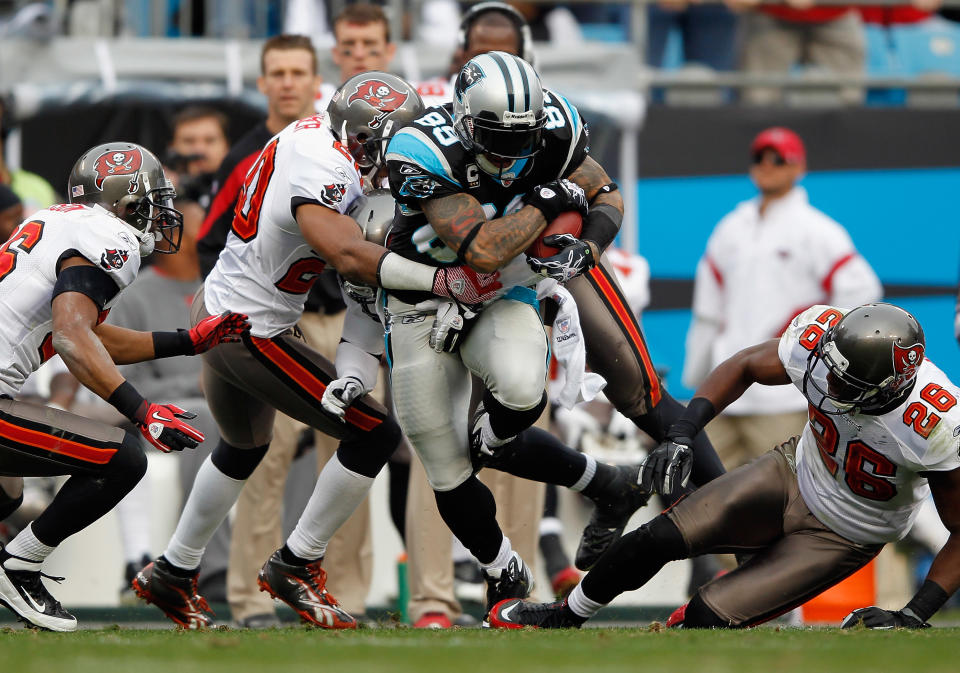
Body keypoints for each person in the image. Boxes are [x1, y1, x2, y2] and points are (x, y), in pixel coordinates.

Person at [132, 72, 506, 630]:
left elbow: (360, 292)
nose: (400, 162)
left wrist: (357, 363)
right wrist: (442, 282)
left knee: (242, 446)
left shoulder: (324, 140)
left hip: (227, 305)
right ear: (364, 138)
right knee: (375, 433)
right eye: (393, 147)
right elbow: (351, 258)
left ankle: (172, 571)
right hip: (249, 326)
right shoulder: (322, 165)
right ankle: (296, 562)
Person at [489, 303, 960, 630]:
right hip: (794, 472)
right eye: (831, 369)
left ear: (891, 386)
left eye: (848, 382)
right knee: (658, 537)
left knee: (706, 618)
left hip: (848, 532)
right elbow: (746, 365)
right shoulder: (824, 343)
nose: (830, 383)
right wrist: (683, 430)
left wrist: (915, 611)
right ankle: (564, 614)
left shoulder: (934, 424)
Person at [0, 142, 248, 631]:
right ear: (126, 204)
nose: (162, 215)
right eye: (153, 201)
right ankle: (19, 567)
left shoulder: (59, 221)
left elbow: (81, 331)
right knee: (122, 458)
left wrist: (185, 341)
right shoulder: (109, 237)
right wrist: (142, 410)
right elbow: (73, 336)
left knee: (7, 493)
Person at [684, 126, 882, 471]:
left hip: (784, 392)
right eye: (759, 157)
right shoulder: (731, 227)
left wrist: (810, 336)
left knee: (779, 497)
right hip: (727, 390)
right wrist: (699, 378)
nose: (767, 165)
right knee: (699, 488)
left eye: (778, 159)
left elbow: (861, 289)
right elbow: (708, 310)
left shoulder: (816, 229)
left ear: (798, 167)